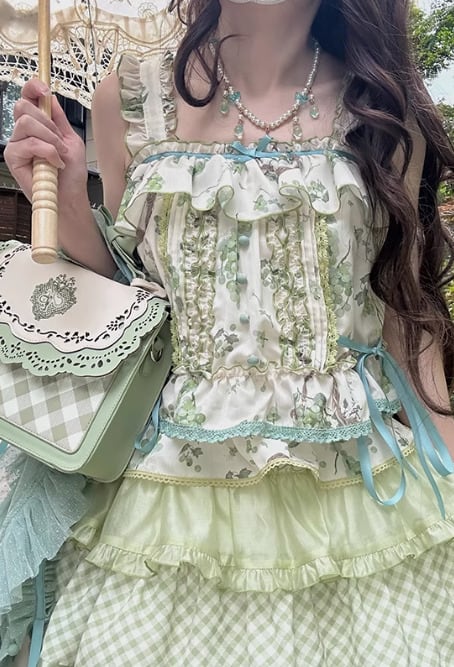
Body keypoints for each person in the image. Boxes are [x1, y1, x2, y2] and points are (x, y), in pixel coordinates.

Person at [2, 0, 454, 664]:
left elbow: (407, 323)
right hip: (164, 515)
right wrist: (69, 200)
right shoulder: (131, 100)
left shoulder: (384, 113)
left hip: (360, 507)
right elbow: (133, 306)